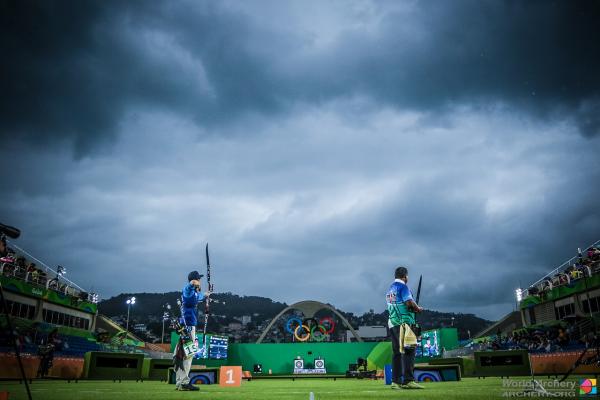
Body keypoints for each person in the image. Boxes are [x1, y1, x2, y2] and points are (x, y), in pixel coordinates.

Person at [386, 266, 424, 390]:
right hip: (404, 324)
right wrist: (417, 308)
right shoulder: (403, 287)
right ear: (405, 276)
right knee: (410, 351)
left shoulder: (390, 290)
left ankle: (395, 382)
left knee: (397, 352)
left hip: (393, 323)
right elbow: (408, 303)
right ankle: (408, 380)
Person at [173, 270, 210, 391]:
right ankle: (183, 383)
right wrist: (194, 283)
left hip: (187, 326)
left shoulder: (194, 293)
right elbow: (190, 286)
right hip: (187, 327)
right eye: (199, 279)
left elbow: (198, 297)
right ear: (195, 280)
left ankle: (180, 382)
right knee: (188, 354)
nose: (200, 281)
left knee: (179, 354)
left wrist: (206, 294)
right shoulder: (188, 290)